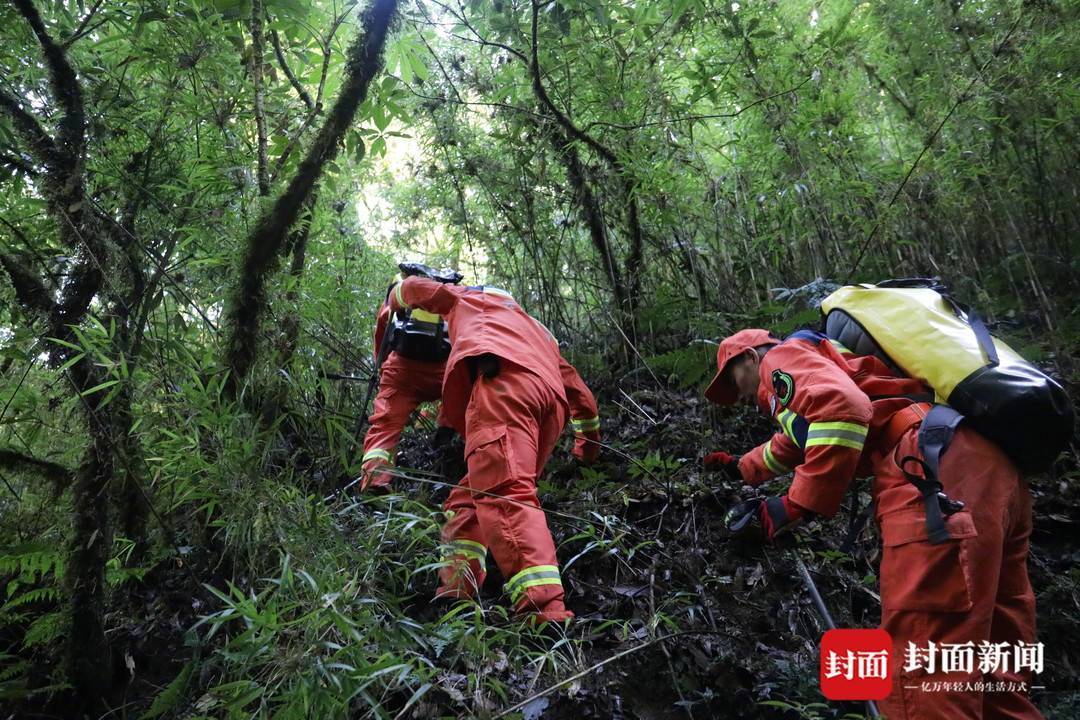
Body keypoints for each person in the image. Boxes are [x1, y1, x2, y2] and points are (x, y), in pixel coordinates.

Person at [703, 328, 1041, 720]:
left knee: (921, 676)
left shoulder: (781, 359)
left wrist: (794, 506)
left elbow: (843, 408)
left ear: (750, 357)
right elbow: (798, 439)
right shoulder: (820, 364)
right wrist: (740, 468)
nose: (738, 394)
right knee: (992, 680)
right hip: (985, 468)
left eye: (733, 379)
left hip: (929, 473)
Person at [387, 276, 600, 625]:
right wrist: (586, 453)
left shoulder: (475, 300)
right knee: (469, 497)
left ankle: (544, 611)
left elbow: (420, 288)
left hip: (505, 389)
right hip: (547, 413)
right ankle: (456, 592)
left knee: (504, 494)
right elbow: (584, 400)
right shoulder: (538, 333)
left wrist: (392, 300)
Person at [358, 292, 449, 493]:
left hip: (401, 373)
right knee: (453, 413)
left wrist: (383, 370)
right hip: (445, 373)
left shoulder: (399, 292)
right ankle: (447, 461)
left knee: (384, 426)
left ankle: (375, 482)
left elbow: (382, 334)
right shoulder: (449, 295)